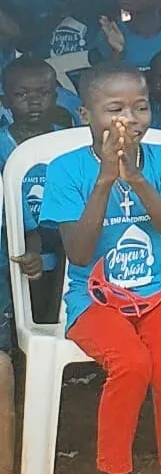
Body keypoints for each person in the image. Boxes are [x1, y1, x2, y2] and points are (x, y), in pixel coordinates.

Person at [40, 62, 161, 474]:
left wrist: (135, 179)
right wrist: (105, 180)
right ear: (84, 114)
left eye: (140, 106)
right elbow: (77, 251)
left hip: (157, 296)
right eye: (114, 108)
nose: (129, 119)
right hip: (92, 302)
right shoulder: (67, 170)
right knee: (131, 364)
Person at [0, 58, 73, 344]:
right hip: (17, 233)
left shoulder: (68, 140)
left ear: (55, 96)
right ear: (5, 100)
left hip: (63, 230)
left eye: (42, 94)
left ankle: (60, 336)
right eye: (21, 95)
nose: (33, 103)